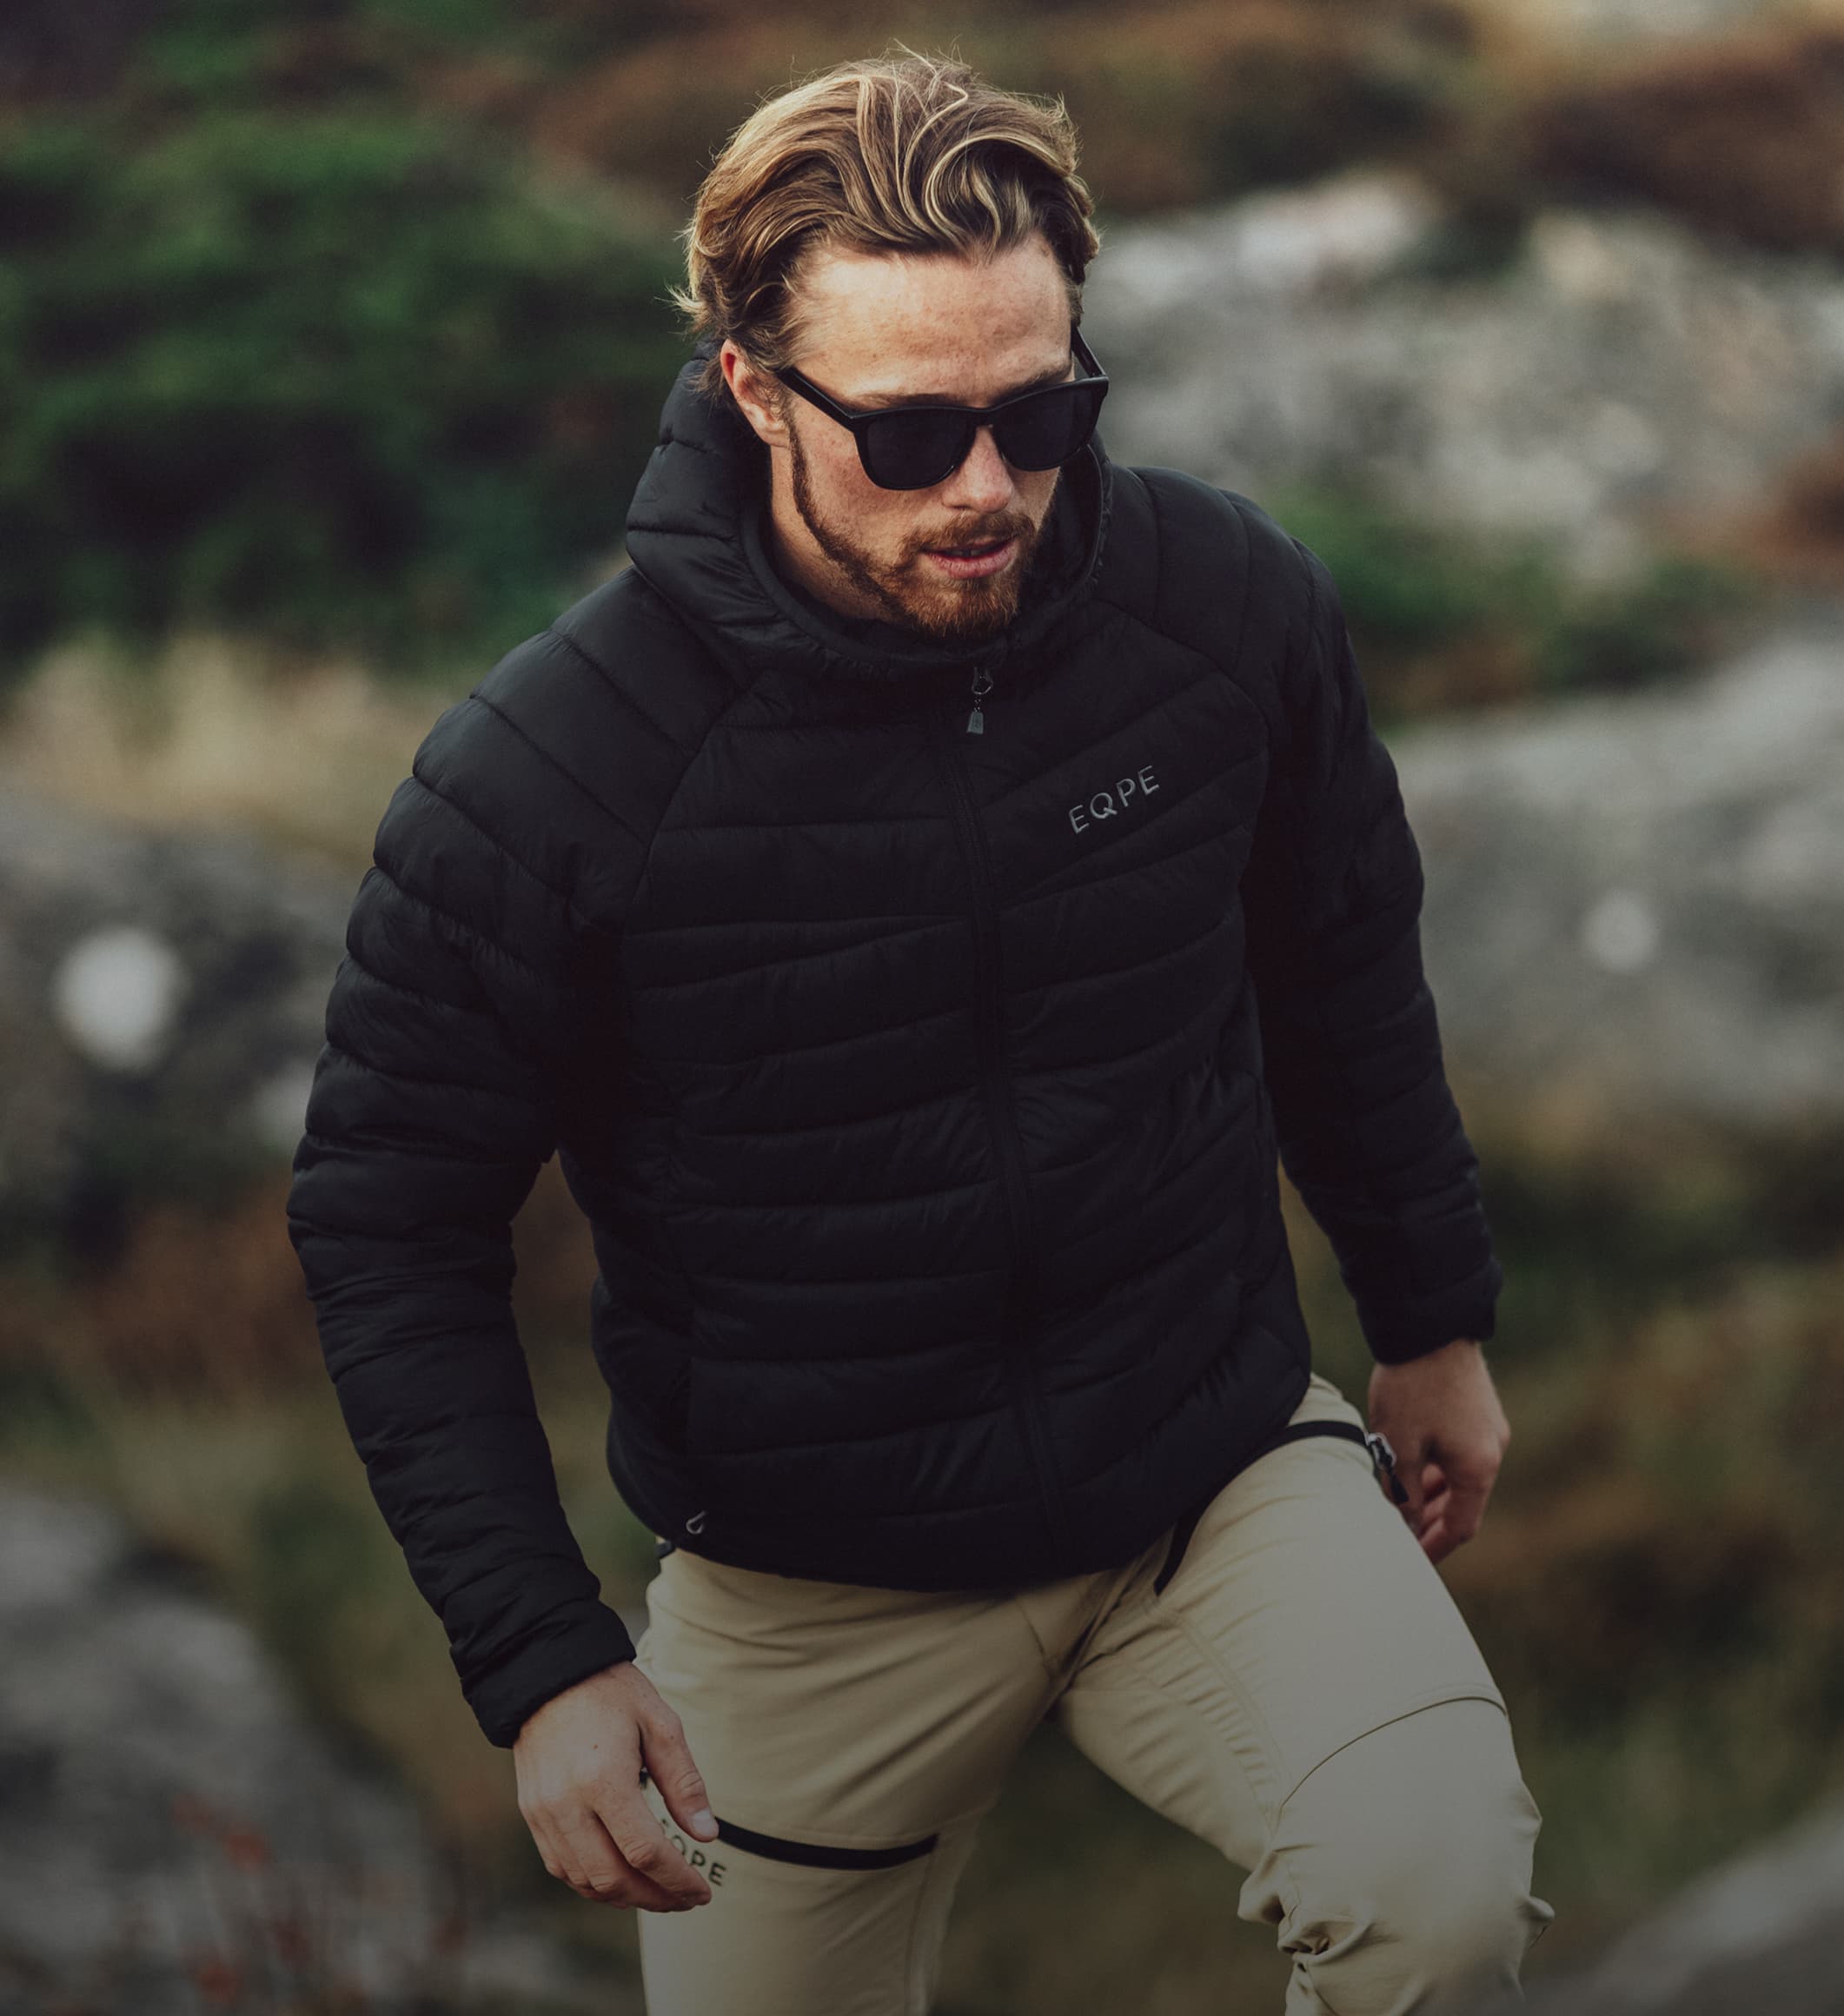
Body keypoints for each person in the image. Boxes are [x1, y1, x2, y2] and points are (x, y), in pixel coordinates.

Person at [287, 50, 1555, 2016]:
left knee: (1439, 1899)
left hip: (1203, 1468)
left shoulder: (1221, 607)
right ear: (749, 385)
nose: (988, 488)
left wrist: (1428, 1312)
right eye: (907, 435)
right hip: (808, 1583)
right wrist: (539, 1657)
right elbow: (388, 1221)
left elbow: (1335, 960)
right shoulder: (549, 774)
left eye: (1042, 410)